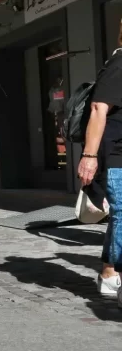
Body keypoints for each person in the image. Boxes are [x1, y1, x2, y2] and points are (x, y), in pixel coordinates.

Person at [78, 41, 122, 300]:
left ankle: (108, 273)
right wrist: (89, 156)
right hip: (115, 152)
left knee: (120, 216)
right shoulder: (119, 63)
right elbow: (98, 108)